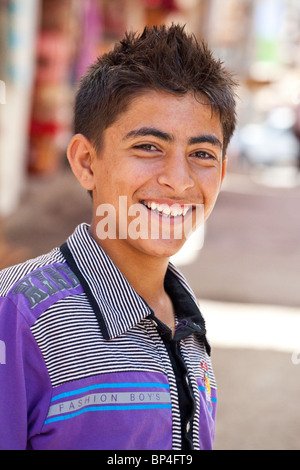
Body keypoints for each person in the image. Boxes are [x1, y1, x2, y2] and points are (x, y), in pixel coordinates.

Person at [0, 24, 237, 450]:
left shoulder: (185, 322)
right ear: (86, 162)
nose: (179, 182)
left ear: (220, 173)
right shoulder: (16, 316)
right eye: (148, 146)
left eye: (202, 154)